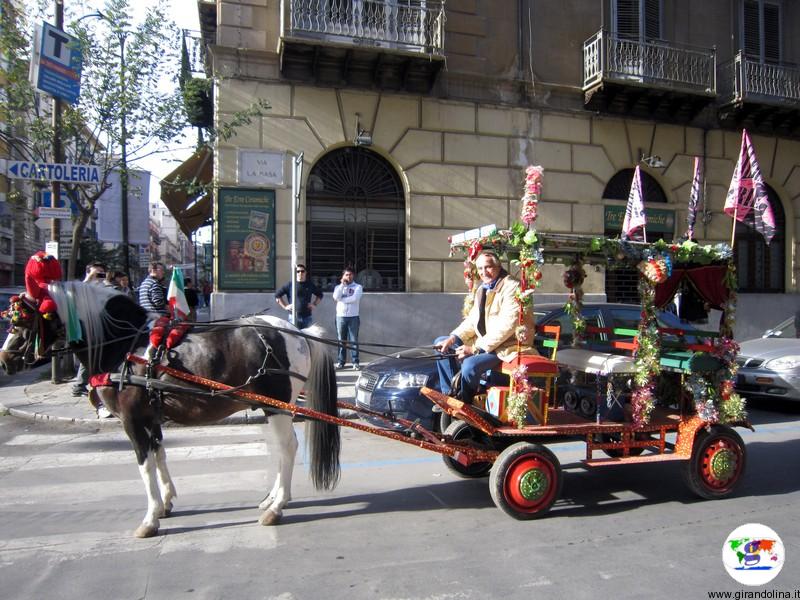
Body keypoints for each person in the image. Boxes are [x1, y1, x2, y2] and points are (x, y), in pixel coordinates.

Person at [434, 250, 536, 405]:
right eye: (480, 268)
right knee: (441, 343)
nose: (483, 272)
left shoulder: (512, 286)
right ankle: (451, 396)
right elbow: (472, 321)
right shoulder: (483, 288)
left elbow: (507, 326)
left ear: (498, 266)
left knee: (470, 364)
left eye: (488, 267)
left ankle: (466, 404)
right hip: (485, 344)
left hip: (507, 346)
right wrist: (453, 338)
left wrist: (475, 348)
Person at [72, 262, 113, 418]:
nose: (100, 275)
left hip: (103, 331)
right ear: (88, 273)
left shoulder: (103, 288)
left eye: (103, 272)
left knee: (97, 363)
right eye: (98, 272)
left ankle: (99, 395)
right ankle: (96, 398)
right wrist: (90, 278)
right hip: (87, 331)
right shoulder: (83, 287)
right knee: (92, 363)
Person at [274, 263, 324, 329]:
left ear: (305, 272)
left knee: (307, 337)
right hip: (293, 317)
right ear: (295, 273)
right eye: (298, 271)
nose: (300, 273)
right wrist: (285, 306)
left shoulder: (310, 284)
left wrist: (314, 304)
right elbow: (277, 295)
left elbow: (320, 295)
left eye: (302, 271)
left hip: (307, 317)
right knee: (294, 337)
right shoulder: (290, 284)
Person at [332, 266, 363, 370]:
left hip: (353, 317)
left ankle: (355, 361)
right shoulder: (338, 287)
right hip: (340, 317)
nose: (348, 277)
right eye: (346, 275)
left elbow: (354, 298)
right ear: (343, 276)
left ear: (353, 276)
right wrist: (342, 286)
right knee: (341, 340)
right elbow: (335, 297)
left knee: (353, 340)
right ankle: (341, 362)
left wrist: (342, 300)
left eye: (350, 275)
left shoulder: (358, 287)